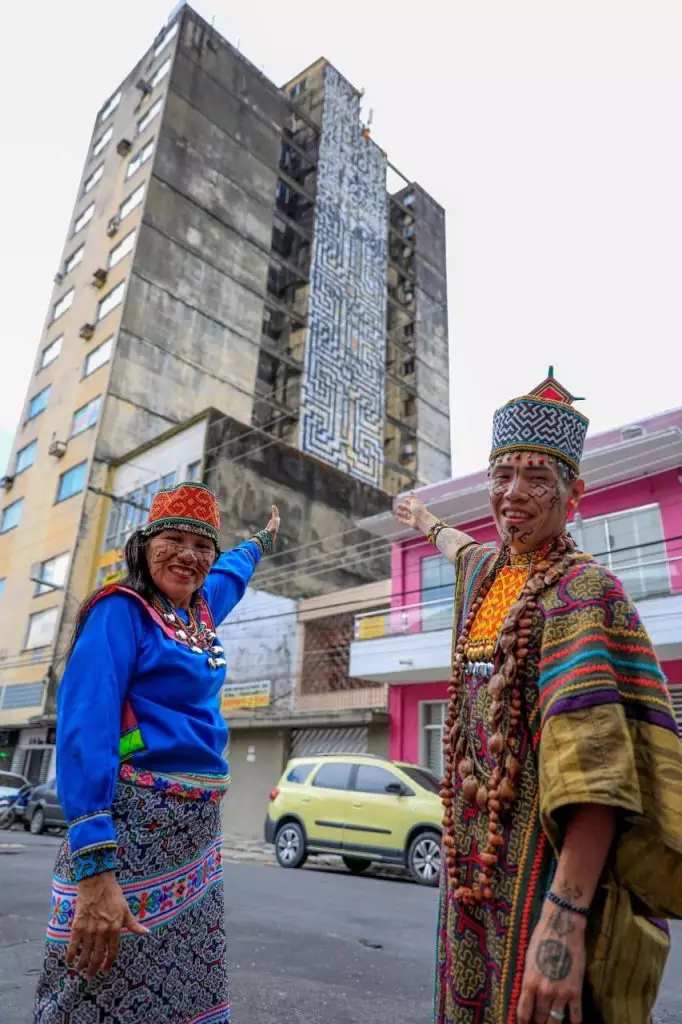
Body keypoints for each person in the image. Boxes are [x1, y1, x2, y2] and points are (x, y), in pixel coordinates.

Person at [394, 371, 682, 1024]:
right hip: (472, 876)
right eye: (502, 475)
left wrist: (564, 920)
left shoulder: (584, 593)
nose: (513, 494)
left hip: (543, 886)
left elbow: (598, 776)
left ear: (573, 494)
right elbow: (457, 545)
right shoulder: (488, 572)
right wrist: (420, 518)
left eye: (536, 478)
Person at [35, 481, 280, 1024]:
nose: (187, 555)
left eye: (201, 546)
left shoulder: (202, 610)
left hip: (194, 845)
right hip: (129, 832)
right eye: (173, 538)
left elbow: (232, 572)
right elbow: (85, 729)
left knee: (182, 988)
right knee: (99, 982)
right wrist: (96, 870)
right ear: (144, 545)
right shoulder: (121, 612)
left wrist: (260, 540)